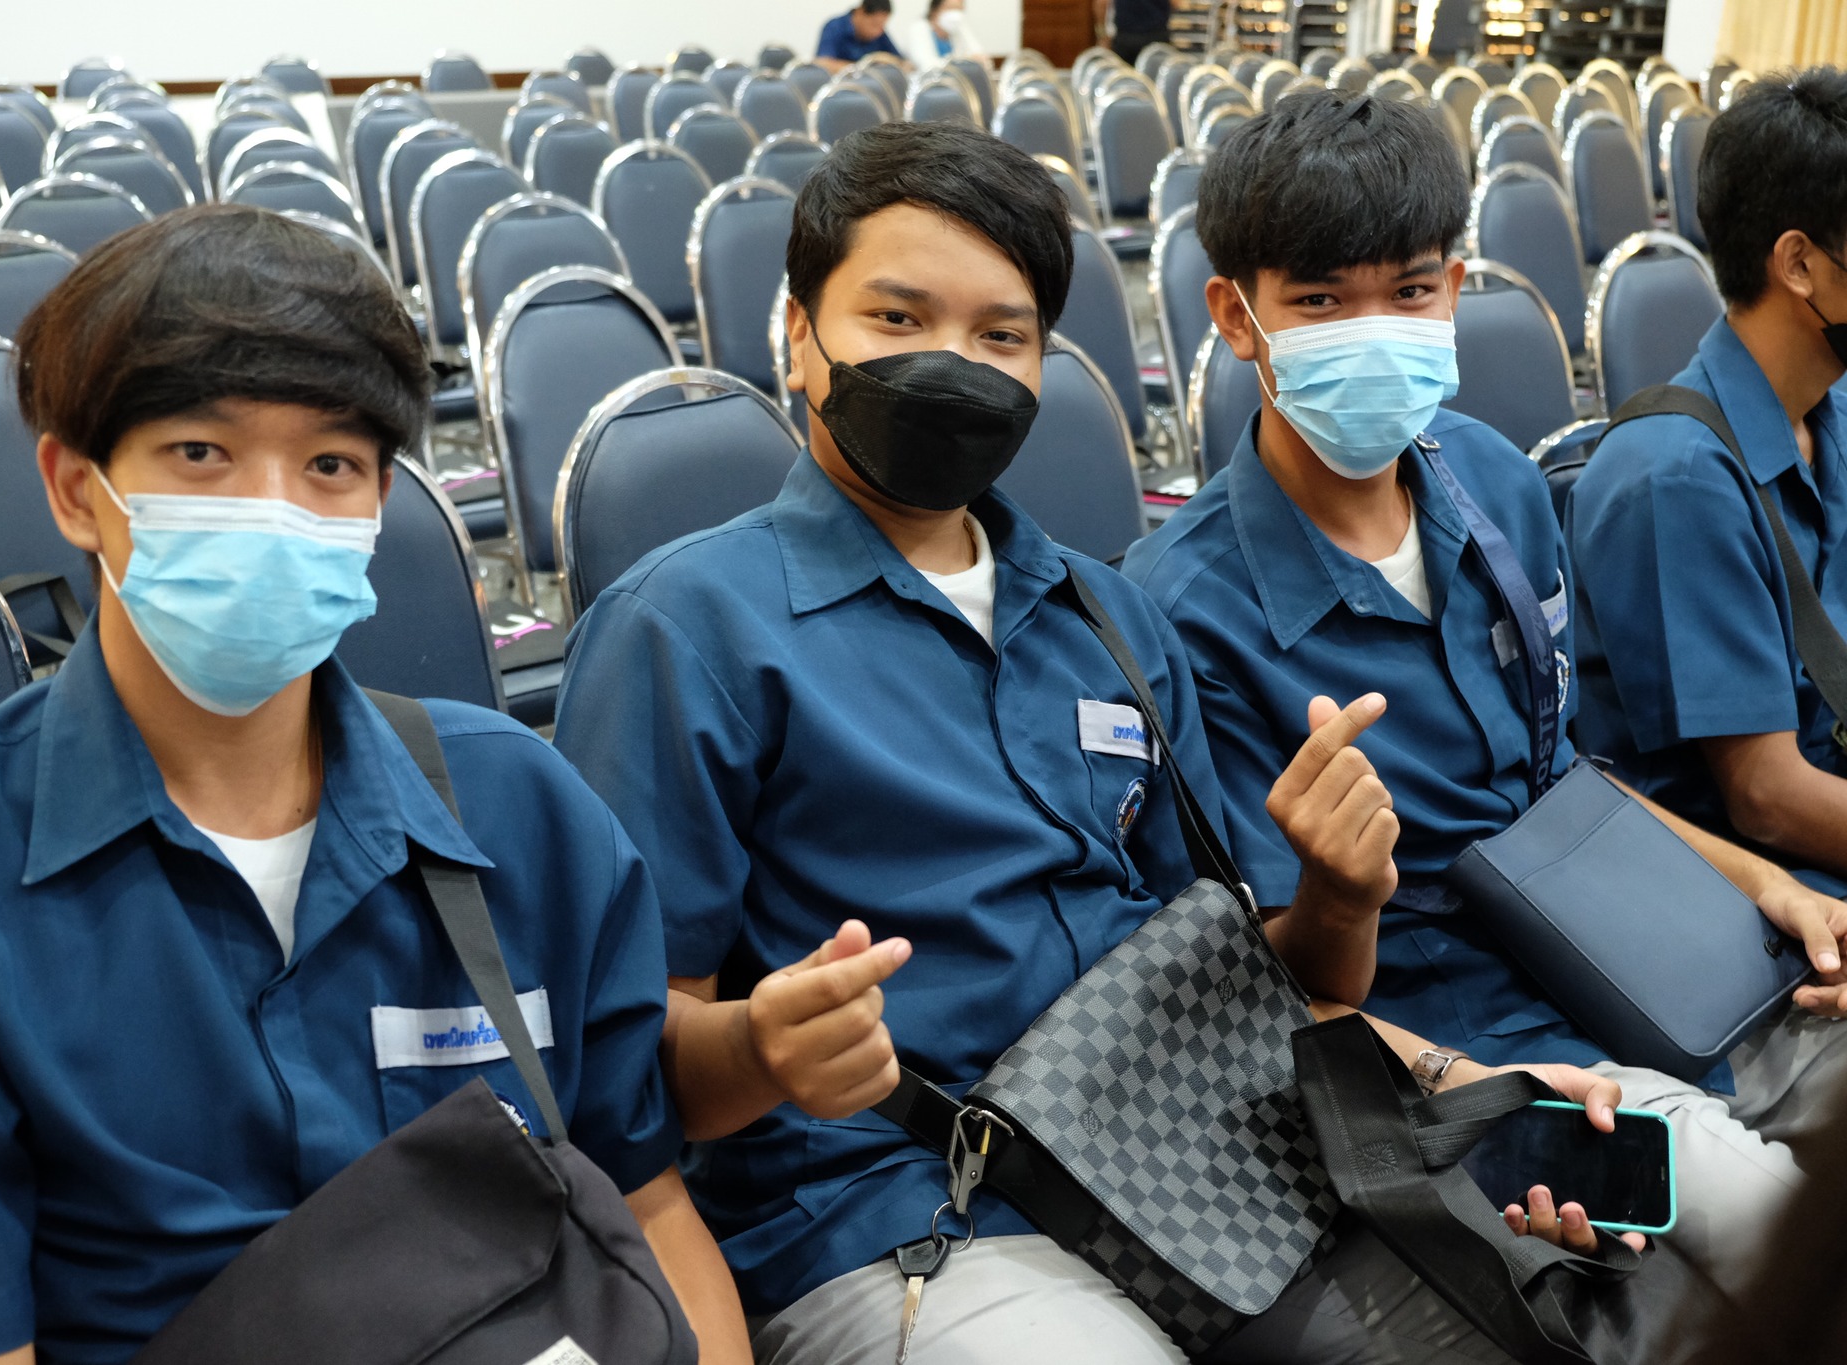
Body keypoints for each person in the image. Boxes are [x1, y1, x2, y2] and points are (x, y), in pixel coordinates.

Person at [555, 120, 1641, 1365]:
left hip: (1191, 1164)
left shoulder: (1107, 618)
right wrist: (758, 1047)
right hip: (903, 1210)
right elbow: (622, 1078)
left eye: (999, 336)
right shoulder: (685, 628)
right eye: (895, 321)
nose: (950, 366)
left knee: (1542, 1320)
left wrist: (1355, 920)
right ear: (796, 335)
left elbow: (1254, 981)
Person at [0, 206, 748, 1365]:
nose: (272, 510)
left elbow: (647, 1215)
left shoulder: (522, 808)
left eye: (331, 465)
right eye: (202, 454)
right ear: (73, 488)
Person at [1121, 89, 1847, 1304]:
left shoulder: (1496, 487)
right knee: (1796, 1257)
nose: (1372, 330)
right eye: (1317, 301)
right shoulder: (1176, 613)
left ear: (1453, 287)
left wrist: (1773, 893)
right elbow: (1258, 979)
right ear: (1235, 319)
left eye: (1406, 293)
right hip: (1472, 1041)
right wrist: (1466, 1082)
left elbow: (1562, 778)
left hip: (1647, 957)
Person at [1570, 70, 1847, 900]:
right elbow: (1764, 795)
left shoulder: (1830, 411)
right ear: (1799, 264)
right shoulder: (1676, 477)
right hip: (1743, 891)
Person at [896, 0, 989, 70]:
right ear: (935, 11)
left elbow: (982, 59)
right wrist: (964, 62)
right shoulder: (918, 29)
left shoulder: (959, 29)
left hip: (956, 86)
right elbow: (927, 66)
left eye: (959, 9)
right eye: (950, 8)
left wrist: (974, 60)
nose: (955, 15)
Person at [816, 0, 901, 72]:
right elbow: (823, 63)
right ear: (860, 12)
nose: (878, 31)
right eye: (874, 24)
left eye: (882, 25)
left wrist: (891, 61)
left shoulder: (880, 34)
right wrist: (865, 68)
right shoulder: (835, 27)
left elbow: (904, 63)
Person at [1097, 0, 1173, 65]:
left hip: (1126, 38)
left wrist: (1103, 34)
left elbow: (1101, 4)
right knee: (1155, 78)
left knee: (1125, 78)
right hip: (1156, 37)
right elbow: (1176, 3)